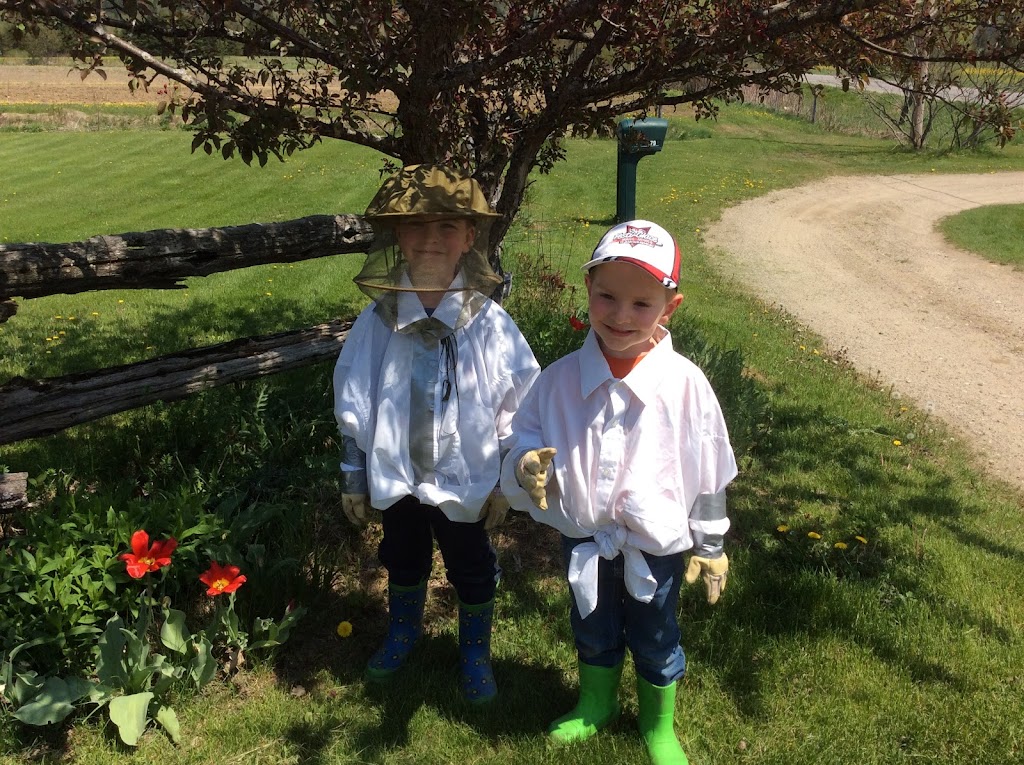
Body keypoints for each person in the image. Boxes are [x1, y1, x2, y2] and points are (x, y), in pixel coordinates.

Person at [500, 220, 737, 763]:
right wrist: (524, 463)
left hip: (655, 546)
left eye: (641, 303)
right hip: (585, 538)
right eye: (607, 297)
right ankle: (595, 702)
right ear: (588, 290)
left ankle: (658, 726)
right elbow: (524, 435)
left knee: (655, 632)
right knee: (591, 622)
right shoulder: (558, 380)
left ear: (669, 308)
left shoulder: (686, 385)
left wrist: (711, 544)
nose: (621, 316)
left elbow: (711, 472)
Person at [333, 164, 540, 705]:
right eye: (417, 227)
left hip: (467, 478)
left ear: (470, 237)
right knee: (402, 557)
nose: (431, 240)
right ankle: (403, 631)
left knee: (471, 564)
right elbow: (353, 397)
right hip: (397, 474)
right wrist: (354, 472)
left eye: (447, 227)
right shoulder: (376, 321)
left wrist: (504, 482)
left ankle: (475, 651)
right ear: (396, 235)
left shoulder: (490, 325)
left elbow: (520, 406)